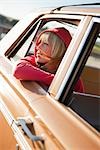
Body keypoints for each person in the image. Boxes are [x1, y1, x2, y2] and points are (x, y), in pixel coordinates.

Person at [13, 27, 84, 92]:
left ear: (58, 50)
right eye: (39, 42)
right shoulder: (32, 60)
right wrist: (55, 81)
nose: (38, 47)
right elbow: (18, 70)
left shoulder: (72, 77)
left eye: (45, 44)